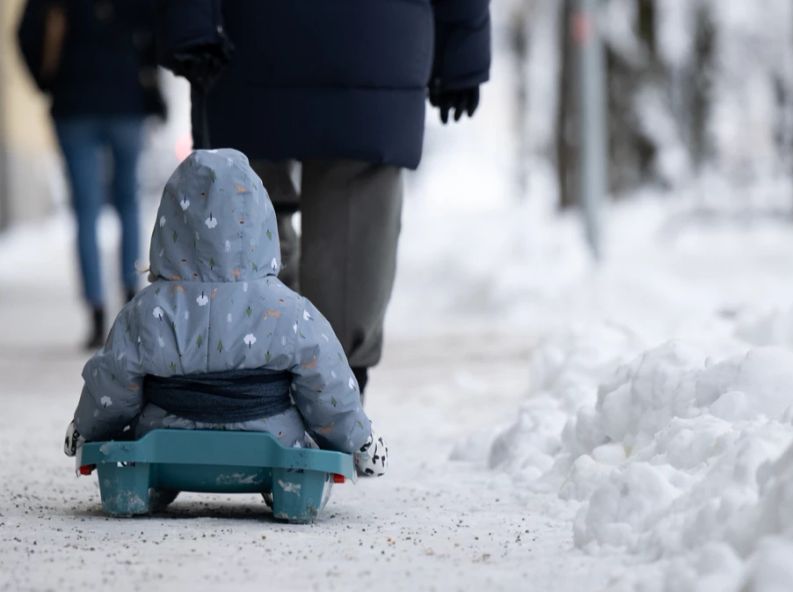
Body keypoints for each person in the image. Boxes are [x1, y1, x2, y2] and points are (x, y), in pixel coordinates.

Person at [155, 0, 492, 395]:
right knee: (354, 219)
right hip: (375, 43)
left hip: (250, 40)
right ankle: (336, 386)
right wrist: (461, 50)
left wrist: (189, 24)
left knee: (242, 208)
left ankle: (253, 376)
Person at [62, 149, 387, 483]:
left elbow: (112, 383)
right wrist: (360, 443)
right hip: (272, 448)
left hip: (165, 448)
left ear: (169, 223)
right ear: (262, 225)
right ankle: (289, 493)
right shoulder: (289, 311)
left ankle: (146, 487)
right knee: (300, 436)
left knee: (139, 428)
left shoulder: (147, 311)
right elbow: (326, 383)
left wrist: (86, 429)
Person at [17, 0, 166, 349]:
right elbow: (159, 27)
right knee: (128, 202)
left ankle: (96, 311)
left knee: (86, 210)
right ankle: (131, 303)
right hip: (125, 99)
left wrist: (47, 81)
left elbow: (25, 33)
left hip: (74, 103)